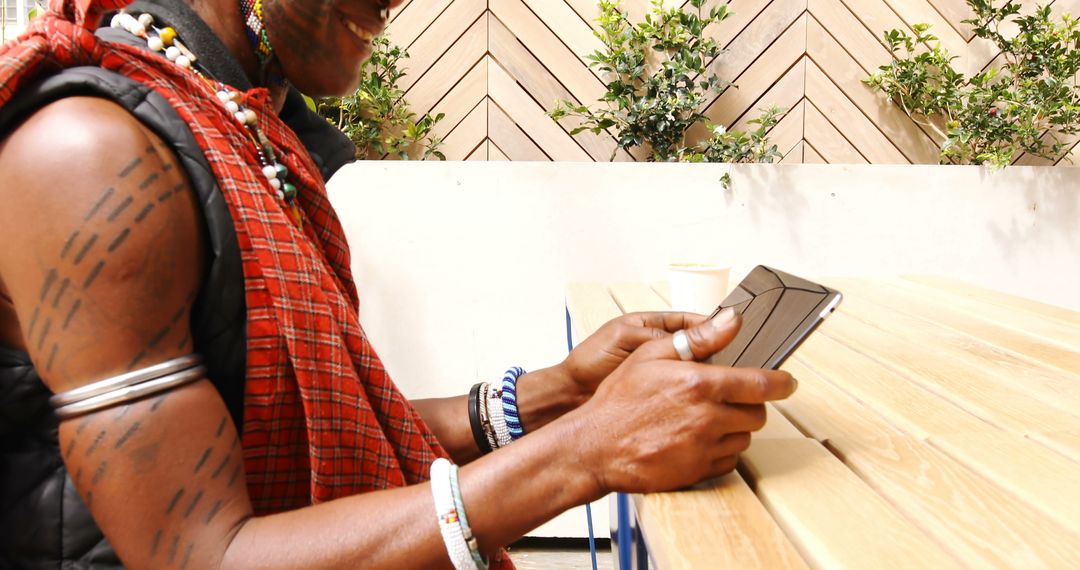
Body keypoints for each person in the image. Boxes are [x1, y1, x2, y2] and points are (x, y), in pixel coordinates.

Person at [0, 0, 798, 568]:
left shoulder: (245, 133)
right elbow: (205, 554)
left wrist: (558, 395)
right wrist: (583, 454)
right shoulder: (89, 156)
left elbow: (296, 430)